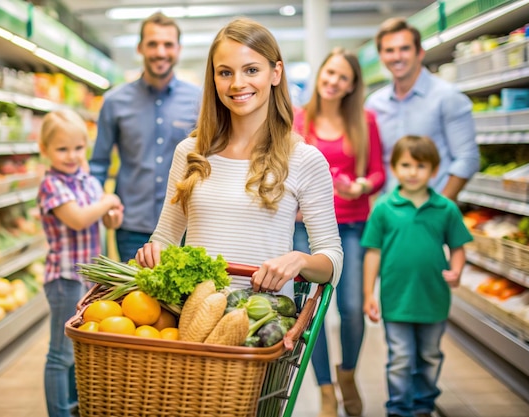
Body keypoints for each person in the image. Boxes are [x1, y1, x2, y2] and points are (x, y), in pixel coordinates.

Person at [135, 17, 343, 300]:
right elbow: (164, 239)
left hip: (263, 325)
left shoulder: (305, 159)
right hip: (193, 318)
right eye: (225, 73)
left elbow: (331, 259)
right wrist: (153, 252)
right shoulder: (190, 152)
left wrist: (301, 260)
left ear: (275, 73)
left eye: (251, 70)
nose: (237, 83)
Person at [292, 47, 385, 417]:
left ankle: (347, 374)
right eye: (330, 73)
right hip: (305, 229)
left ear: (351, 85)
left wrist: (360, 186)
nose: (333, 82)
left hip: (351, 223)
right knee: (311, 312)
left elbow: (379, 173)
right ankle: (326, 391)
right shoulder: (299, 121)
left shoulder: (365, 121)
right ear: (320, 74)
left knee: (350, 309)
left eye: (343, 77)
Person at [361, 135, 473, 417]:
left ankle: (423, 403)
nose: (413, 172)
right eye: (406, 165)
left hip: (433, 299)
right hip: (396, 299)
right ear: (395, 169)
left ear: (434, 170)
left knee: (429, 355)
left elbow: (458, 247)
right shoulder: (385, 208)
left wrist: (457, 270)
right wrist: (367, 294)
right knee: (399, 357)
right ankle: (399, 407)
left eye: (421, 166)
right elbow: (372, 253)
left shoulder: (445, 209)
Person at [89, 11, 201, 262]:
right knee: (136, 299)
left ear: (178, 49)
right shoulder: (114, 102)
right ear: (140, 48)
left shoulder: (200, 101)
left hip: (185, 225)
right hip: (131, 226)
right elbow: (98, 164)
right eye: (153, 44)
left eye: (168, 44)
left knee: (183, 301)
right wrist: (101, 203)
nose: (160, 52)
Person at [37, 109, 123, 417]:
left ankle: (76, 407)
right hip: (64, 280)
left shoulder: (87, 181)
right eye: (62, 149)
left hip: (86, 279)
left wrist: (112, 214)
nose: (71, 156)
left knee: (78, 349)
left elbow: (107, 222)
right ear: (44, 149)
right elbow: (77, 219)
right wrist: (106, 204)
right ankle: (59, 412)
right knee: (60, 355)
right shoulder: (51, 185)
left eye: (77, 148)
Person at [365, 17, 480, 201]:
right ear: (381, 56)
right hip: (391, 211)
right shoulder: (374, 104)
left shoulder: (447, 97)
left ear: (419, 52)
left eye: (404, 48)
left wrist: (439, 210)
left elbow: (467, 159)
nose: (397, 56)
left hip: (432, 209)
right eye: (389, 50)